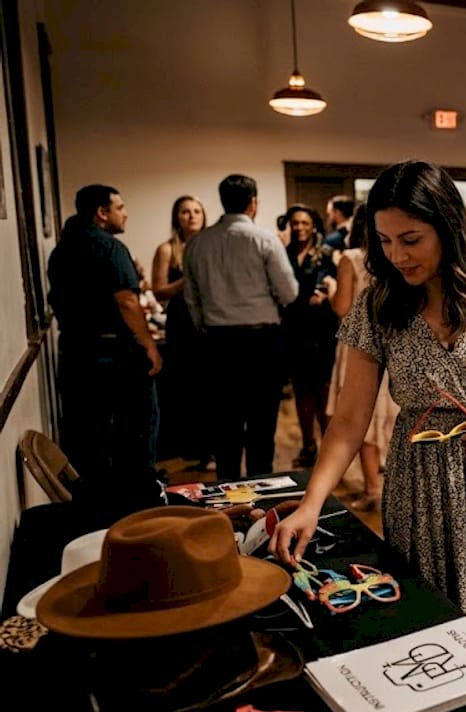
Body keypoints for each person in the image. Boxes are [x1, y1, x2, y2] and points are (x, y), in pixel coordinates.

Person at [270, 160, 466, 695]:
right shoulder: (378, 302)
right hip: (421, 481)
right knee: (434, 621)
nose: (397, 256)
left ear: (448, 225)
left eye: (411, 239)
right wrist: (312, 502)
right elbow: (349, 419)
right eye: (384, 241)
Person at [47, 184, 164, 521]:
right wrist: (149, 344)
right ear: (102, 212)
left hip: (75, 349)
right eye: (120, 206)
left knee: (88, 434)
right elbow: (126, 300)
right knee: (135, 431)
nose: (124, 213)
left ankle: (96, 513)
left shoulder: (62, 249)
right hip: (114, 352)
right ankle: (140, 508)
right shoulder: (109, 247)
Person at [185, 174, 299, 479]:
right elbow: (289, 292)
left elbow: (191, 300)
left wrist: (206, 329)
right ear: (253, 203)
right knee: (262, 424)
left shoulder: (197, 243)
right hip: (261, 340)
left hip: (219, 341)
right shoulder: (264, 240)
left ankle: (228, 493)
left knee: (225, 425)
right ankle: (261, 490)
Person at [329, 204, 399, 510]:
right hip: (396, 341)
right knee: (396, 416)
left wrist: (332, 287)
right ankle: (400, 488)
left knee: (361, 416)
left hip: (359, 346)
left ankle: (373, 489)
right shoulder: (395, 258)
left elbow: (342, 308)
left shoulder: (352, 259)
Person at [150, 195, 209, 465]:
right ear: (177, 217)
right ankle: (188, 448)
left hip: (209, 320)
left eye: (197, 211)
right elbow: (158, 290)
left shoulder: (211, 245)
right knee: (184, 384)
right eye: (185, 212)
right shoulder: (167, 249)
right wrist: (188, 279)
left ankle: (210, 448)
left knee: (209, 385)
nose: (192, 216)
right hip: (181, 321)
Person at [282, 204, 340, 467]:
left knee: (324, 391)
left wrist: (327, 295)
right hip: (295, 328)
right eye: (295, 223)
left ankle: (328, 446)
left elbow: (340, 286)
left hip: (323, 328)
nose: (299, 228)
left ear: (313, 225)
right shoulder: (283, 254)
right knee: (302, 390)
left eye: (304, 223)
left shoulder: (326, 254)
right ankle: (308, 445)